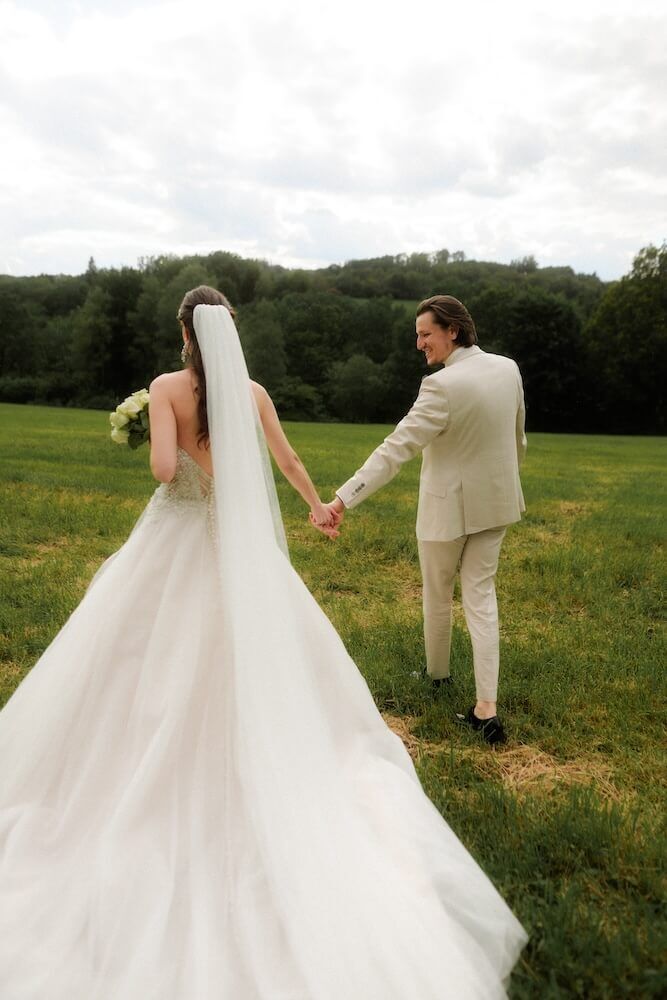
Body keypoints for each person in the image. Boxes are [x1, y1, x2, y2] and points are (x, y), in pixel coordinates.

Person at [0, 286, 526, 998]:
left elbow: (163, 471)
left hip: (174, 537)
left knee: (131, 651)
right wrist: (317, 507)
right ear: (229, 332)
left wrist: (152, 432)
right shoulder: (251, 392)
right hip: (234, 546)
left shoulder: (163, 387)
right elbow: (286, 460)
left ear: (183, 330)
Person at [321, 295, 527, 745]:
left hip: (446, 508)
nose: (419, 344)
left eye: (425, 334)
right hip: (498, 502)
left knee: (437, 593)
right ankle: (485, 709)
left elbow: (395, 449)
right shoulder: (508, 368)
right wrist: (506, 482)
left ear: (453, 330)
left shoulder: (441, 387)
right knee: (481, 597)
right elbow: (519, 436)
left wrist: (342, 498)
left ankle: (438, 676)